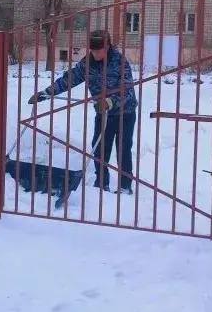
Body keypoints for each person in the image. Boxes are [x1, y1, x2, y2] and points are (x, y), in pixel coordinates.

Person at [28, 29, 137, 194]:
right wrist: (46, 93)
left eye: (99, 50)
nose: (95, 54)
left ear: (107, 47)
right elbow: (68, 80)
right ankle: (101, 184)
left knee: (123, 148)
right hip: (103, 114)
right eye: (92, 50)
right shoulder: (87, 64)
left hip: (125, 113)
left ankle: (125, 186)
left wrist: (110, 101)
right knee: (99, 148)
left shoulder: (120, 62)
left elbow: (127, 91)